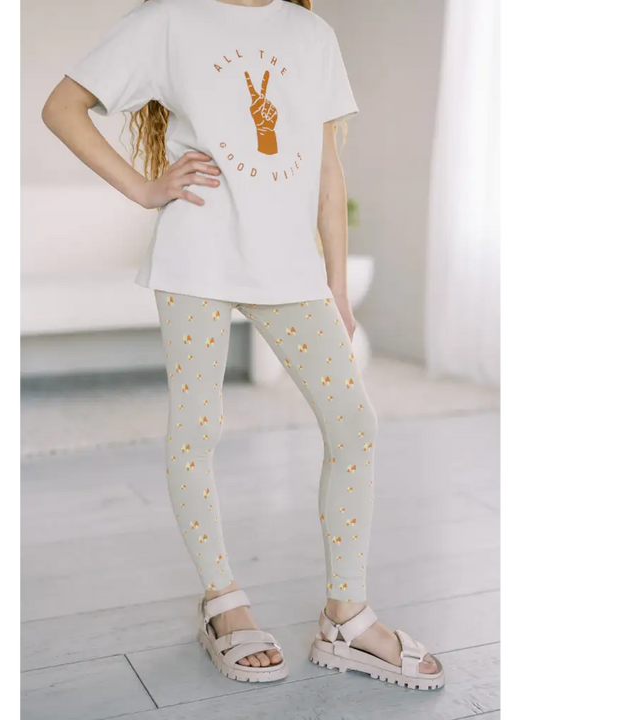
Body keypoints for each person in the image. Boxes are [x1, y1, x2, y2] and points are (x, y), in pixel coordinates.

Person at [42, 0, 444, 690]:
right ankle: (223, 600)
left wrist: (336, 289)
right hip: (196, 255)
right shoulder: (170, 19)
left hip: (288, 268)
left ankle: (346, 616)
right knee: (198, 427)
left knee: (354, 424)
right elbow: (63, 107)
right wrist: (144, 190)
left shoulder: (311, 33)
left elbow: (328, 172)